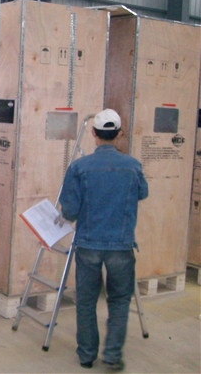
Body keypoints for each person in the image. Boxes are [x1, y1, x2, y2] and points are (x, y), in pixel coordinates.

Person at [58, 109, 148, 371]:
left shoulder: (79, 167)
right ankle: (112, 355)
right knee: (119, 300)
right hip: (121, 245)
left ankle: (87, 355)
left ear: (93, 133)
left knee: (86, 301)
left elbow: (70, 210)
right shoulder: (133, 166)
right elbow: (142, 192)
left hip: (88, 244)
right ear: (119, 134)